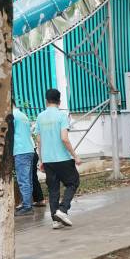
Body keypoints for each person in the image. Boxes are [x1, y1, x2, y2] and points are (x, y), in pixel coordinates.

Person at [36, 89, 81, 229]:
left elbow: (38, 140)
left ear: (46, 101)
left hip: (48, 160)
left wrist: (41, 160)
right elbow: (64, 139)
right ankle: (62, 210)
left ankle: (55, 220)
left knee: (53, 189)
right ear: (59, 101)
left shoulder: (40, 117)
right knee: (73, 182)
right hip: (62, 158)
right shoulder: (62, 116)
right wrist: (75, 155)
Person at [11, 106, 37, 217]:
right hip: (29, 149)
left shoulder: (12, 115)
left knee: (23, 180)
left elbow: (9, 134)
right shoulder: (23, 115)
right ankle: (27, 204)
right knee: (28, 180)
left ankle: (27, 207)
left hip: (20, 150)